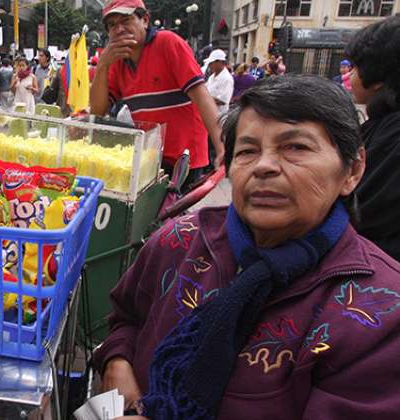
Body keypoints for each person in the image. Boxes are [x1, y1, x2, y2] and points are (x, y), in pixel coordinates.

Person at [94, 75, 400, 420]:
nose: (264, 166)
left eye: (295, 147)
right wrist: (117, 364)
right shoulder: (179, 241)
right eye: (247, 151)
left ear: (353, 169)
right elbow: (125, 318)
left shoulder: (381, 310)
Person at [91, 0, 225, 180]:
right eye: (112, 25)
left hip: (184, 158)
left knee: (175, 207)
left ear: (145, 20)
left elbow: (202, 97)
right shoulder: (116, 60)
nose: (119, 29)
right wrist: (102, 66)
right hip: (151, 157)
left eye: (126, 20)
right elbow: (98, 111)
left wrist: (222, 148)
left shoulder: (168, 42)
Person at [346, 15, 400, 261]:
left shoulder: (392, 135)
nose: (349, 76)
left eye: (355, 68)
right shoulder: (383, 125)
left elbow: (361, 209)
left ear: (377, 77)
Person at [204, 49, 234, 116]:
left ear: (220, 62)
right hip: (209, 114)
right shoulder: (211, 77)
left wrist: (204, 98)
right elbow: (205, 90)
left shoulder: (227, 79)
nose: (209, 66)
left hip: (219, 116)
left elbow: (222, 101)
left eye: (211, 63)